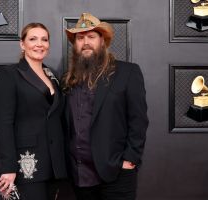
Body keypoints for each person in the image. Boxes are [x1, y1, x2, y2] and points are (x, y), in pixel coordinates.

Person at [62, 13, 149, 200]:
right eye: (80, 38)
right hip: (79, 176)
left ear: (102, 41)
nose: (86, 42)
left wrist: (129, 161)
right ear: (75, 44)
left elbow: (138, 120)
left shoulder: (128, 72)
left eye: (91, 37)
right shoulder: (68, 79)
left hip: (116, 173)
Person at [0, 22, 67, 200]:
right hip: (27, 161)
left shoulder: (53, 75)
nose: (39, 44)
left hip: (54, 164)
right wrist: (8, 168)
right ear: (22, 44)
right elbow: (4, 124)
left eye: (44, 39)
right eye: (33, 39)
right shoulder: (9, 74)